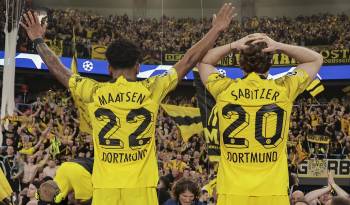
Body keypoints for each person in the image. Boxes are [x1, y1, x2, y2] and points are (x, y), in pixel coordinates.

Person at [20, 3, 236, 204]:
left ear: (109, 69)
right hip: (140, 188)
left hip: (105, 188)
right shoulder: (151, 89)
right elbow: (189, 60)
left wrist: (38, 40)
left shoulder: (95, 92)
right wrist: (216, 29)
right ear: (139, 67)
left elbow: (59, 70)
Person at [198, 33, 323, 205]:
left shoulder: (225, 89)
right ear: (270, 63)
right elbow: (315, 59)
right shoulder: (284, 89)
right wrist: (279, 45)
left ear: (240, 64)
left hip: (233, 190)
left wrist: (234, 44)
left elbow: (204, 61)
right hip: (272, 190)